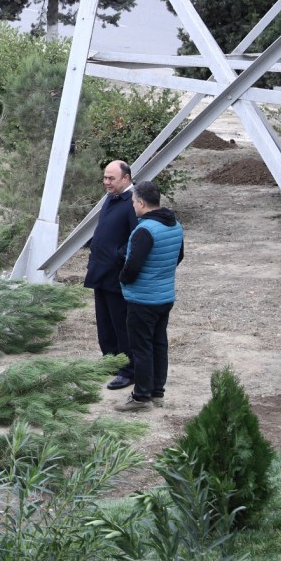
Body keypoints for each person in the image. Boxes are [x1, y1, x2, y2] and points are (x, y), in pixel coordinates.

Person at [116, 180, 184, 412]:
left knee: (142, 348)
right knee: (159, 344)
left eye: (134, 201)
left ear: (142, 203)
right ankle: (157, 392)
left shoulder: (144, 230)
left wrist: (123, 279)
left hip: (143, 299)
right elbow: (179, 257)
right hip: (164, 297)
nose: (133, 205)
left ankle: (141, 397)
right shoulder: (175, 225)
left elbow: (132, 266)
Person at [88, 160, 139, 392]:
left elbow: (136, 237)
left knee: (121, 324)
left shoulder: (133, 202)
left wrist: (117, 256)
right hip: (100, 271)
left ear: (126, 179)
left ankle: (128, 370)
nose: (106, 182)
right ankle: (110, 360)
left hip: (116, 275)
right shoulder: (111, 197)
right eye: (105, 178)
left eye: (111, 178)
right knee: (104, 322)